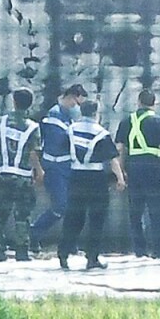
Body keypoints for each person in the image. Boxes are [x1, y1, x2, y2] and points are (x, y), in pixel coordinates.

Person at [58, 100, 126, 271]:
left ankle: (63, 253)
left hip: (75, 176)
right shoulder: (101, 133)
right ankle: (92, 257)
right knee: (97, 219)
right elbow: (112, 159)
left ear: (81, 111)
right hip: (96, 178)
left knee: (73, 217)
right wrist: (120, 178)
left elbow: (62, 150)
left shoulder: (71, 130)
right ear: (96, 113)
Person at [115, 90, 160, 259]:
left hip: (133, 168)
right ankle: (159, 251)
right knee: (157, 211)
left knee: (135, 211)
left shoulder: (126, 121)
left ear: (138, 102)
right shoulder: (158, 121)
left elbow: (120, 149)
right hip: (154, 167)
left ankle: (139, 250)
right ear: (153, 104)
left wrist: (121, 172)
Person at [0, 88, 43, 262]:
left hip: (3, 174)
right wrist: (39, 171)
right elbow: (34, 153)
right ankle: (22, 252)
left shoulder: (0, 122)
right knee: (22, 216)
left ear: (13, 101)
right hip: (23, 177)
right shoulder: (33, 127)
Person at [31, 83, 88, 249]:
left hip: (67, 167)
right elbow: (62, 142)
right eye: (76, 103)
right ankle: (34, 232)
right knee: (60, 206)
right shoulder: (55, 116)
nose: (77, 107)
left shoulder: (66, 116)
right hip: (55, 168)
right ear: (70, 97)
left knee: (70, 207)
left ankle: (69, 243)